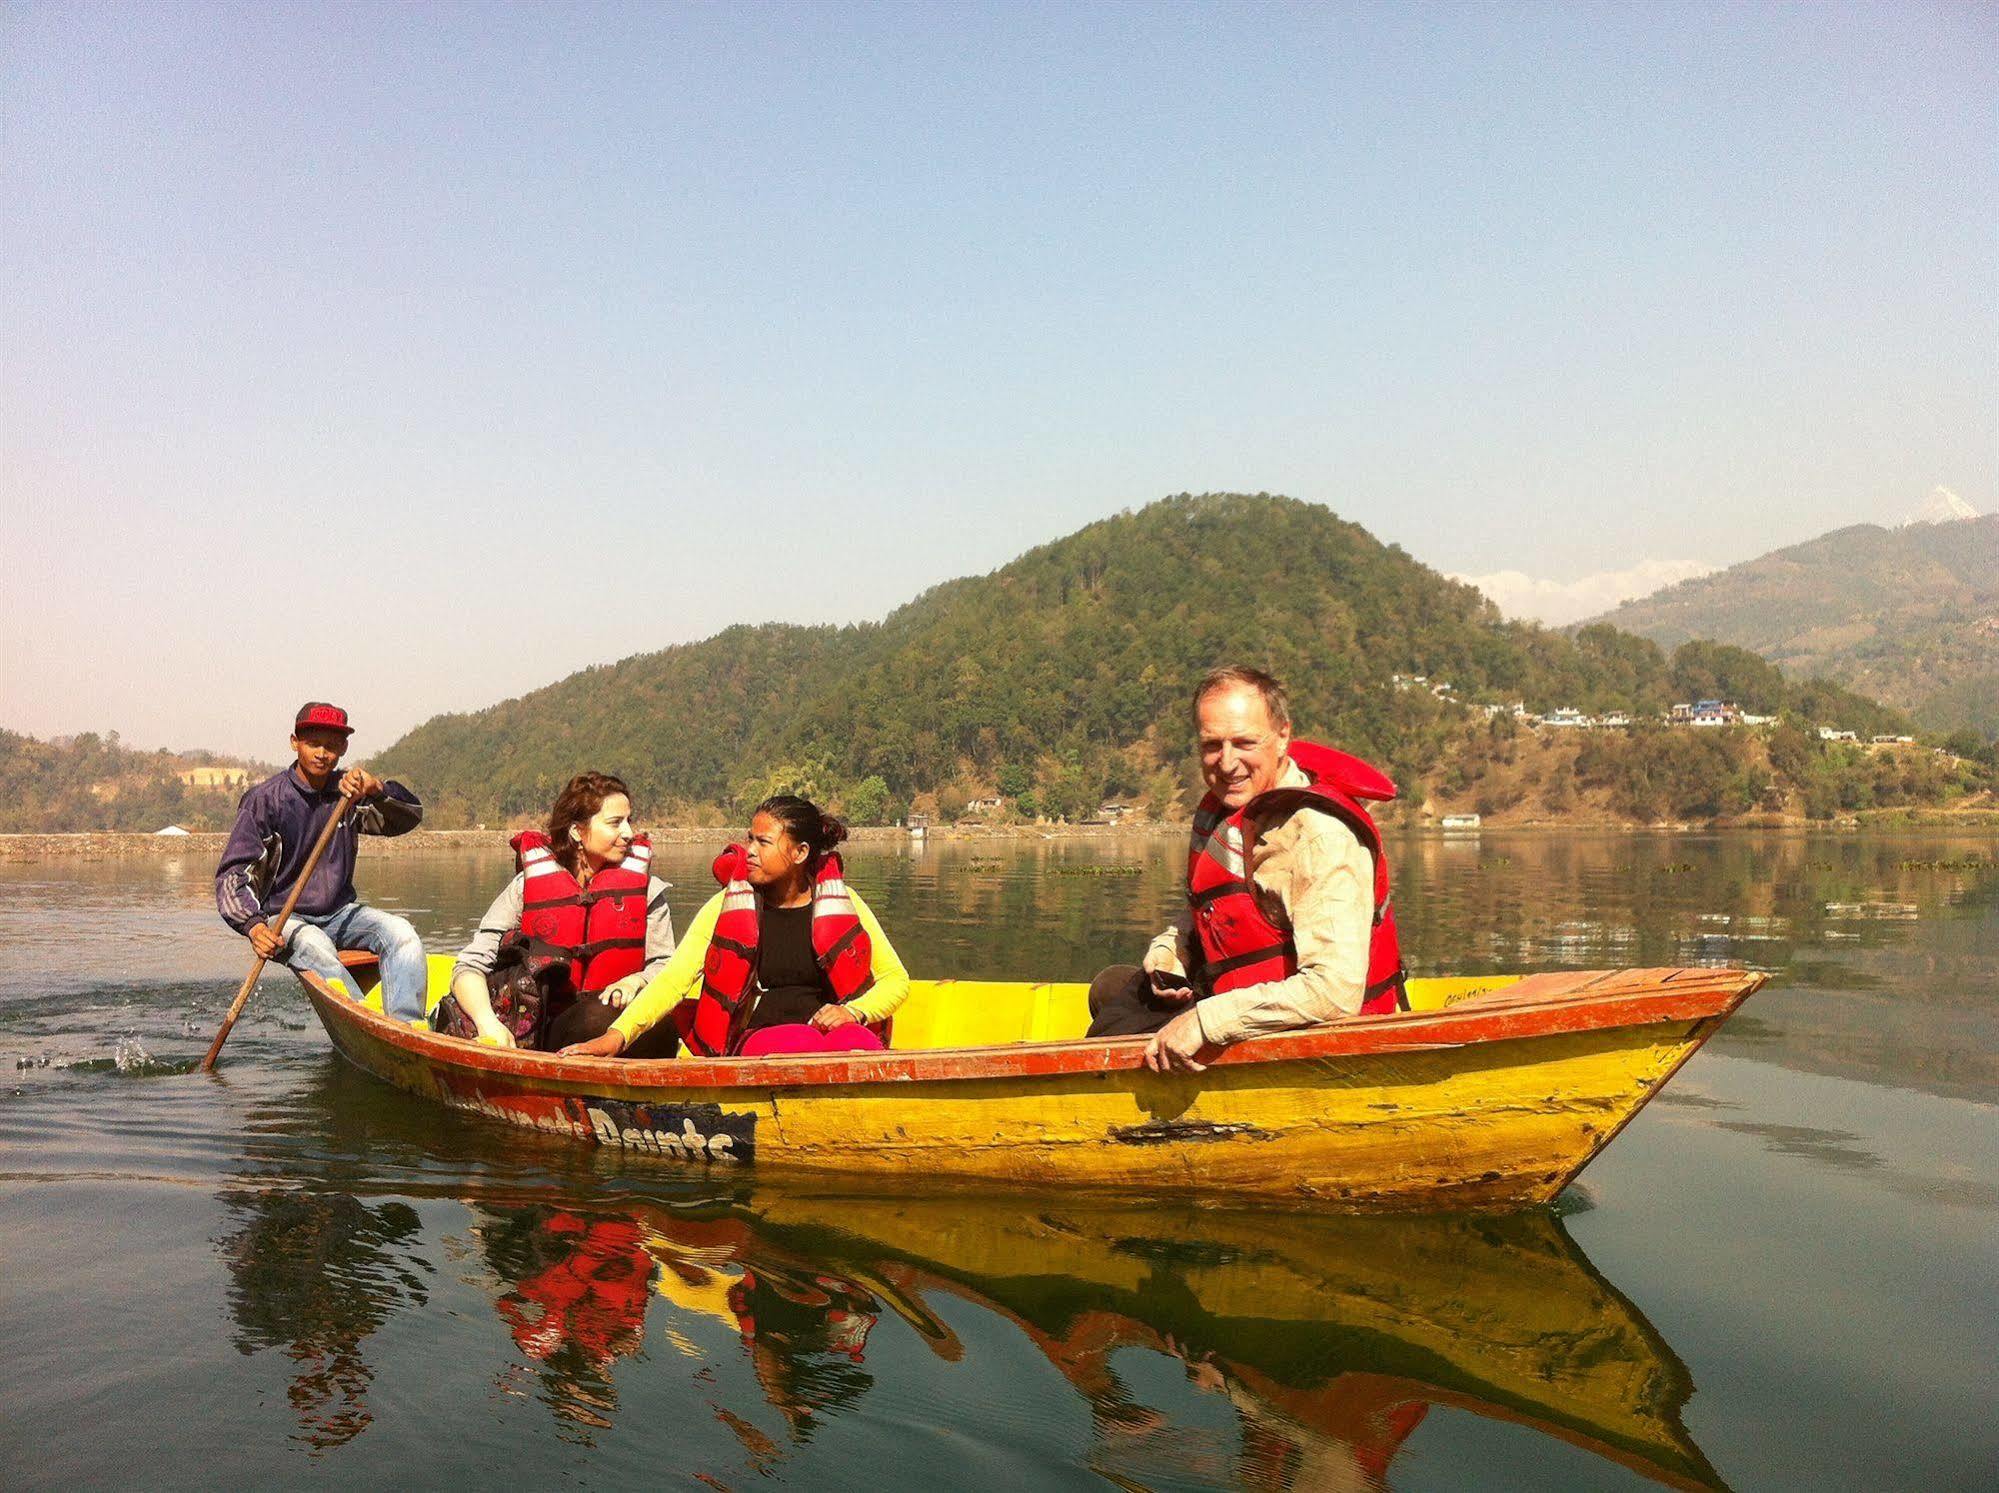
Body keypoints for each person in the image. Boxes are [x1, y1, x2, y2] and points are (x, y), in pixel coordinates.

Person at [1086, 666, 1408, 1073]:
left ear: (1282, 736)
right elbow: (1214, 909)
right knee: (1112, 987)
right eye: (1212, 745)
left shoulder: (1320, 836)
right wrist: (1173, 948)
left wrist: (1206, 1022)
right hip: (1241, 996)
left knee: (1115, 1037)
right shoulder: (1231, 811)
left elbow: (1333, 992)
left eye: (1244, 743)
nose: (1227, 762)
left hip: (1324, 1035)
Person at [561, 795, 908, 1060]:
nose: (749, 852)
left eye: (763, 842)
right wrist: (616, 1036)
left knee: (858, 1042)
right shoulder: (726, 907)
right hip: (763, 1033)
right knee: (802, 1045)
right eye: (749, 840)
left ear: (801, 853)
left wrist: (853, 1011)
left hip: (834, 1027)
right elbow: (672, 982)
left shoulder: (843, 902)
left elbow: (896, 979)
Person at [215, 701, 428, 1020]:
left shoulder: (349, 794)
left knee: (402, 934)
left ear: (343, 748)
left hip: (341, 912)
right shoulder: (266, 800)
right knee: (317, 948)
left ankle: (405, 1026)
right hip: (286, 919)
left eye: (331, 746)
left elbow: (408, 817)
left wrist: (377, 788)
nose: (322, 753)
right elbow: (233, 875)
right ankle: (364, 1023)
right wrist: (254, 926)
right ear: (295, 742)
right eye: (313, 743)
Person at [444, 772, 678, 1053]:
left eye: (629, 821)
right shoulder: (526, 887)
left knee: (656, 1022)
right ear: (577, 831)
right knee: (597, 1018)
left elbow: (666, 968)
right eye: (615, 823)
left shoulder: (647, 890)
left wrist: (636, 980)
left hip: (627, 1028)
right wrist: (487, 1022)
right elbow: (469, 965)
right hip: (548, 1031)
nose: (628, 833)